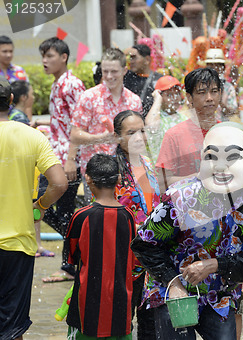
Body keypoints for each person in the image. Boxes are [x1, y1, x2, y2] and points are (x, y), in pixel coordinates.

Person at [130, 122, 243, 340]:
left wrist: (216, 266)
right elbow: (144, 243)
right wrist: (174, 283)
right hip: (173, 290)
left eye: (232, 157)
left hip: (221, 292)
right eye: (212, 157)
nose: (220, 166)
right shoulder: (182, 197)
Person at [0, 76, 67, 340]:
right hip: (19, 244)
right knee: (13, 327)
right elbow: (59, 183)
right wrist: (38, 206)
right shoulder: (31, 135)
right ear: (12, 101)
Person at [65, 154, 136, 339]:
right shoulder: (128, 217)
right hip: (120, 309)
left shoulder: (81, 216)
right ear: (119, 179)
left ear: (87, 178)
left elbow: (72, 257)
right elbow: (134, 259)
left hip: (85, 309)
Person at [35, 37, 87, 282]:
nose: (45, 61)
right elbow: (63, 121)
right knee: (54, 208)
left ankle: (70, 262)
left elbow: (80, 122)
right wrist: (42, 123)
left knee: (50, 205)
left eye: (50, 56)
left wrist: (71, 159)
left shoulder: (72, 84)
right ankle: (75, 254)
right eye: (43, 56)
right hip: (54, 154)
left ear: (64, 57)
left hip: (68, 158)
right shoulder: (57, 85)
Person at [70, 48, 142, 202]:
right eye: (105, 71)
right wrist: (100, 138)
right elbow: (75, 134)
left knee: (129, 215)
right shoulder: (89, 97)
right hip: (97, 171)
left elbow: (139, 136)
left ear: (124, 70)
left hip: (127, 170)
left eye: (114, 71)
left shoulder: (134, 100)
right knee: (97, 218)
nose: (109, 76)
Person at [113, 110, 161, 339]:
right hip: (123, 260)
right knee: (122, 323)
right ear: (117, 137)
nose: (139, 137)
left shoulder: (149, 163)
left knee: (150, 325)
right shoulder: (111, 171)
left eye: (141, 130)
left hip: (151, 259)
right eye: (131, 133)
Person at [155, 68, 220, 192]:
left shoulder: (228, 132)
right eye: (202, 92)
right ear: (189, 98)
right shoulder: (174, 135)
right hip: (188, 208)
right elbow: (162, 182)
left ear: (220, 93)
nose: (209, 98)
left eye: (214, 91)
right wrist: (196, 178)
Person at [144, 75, 187, 164]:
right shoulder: (158, 117)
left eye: (177, 93)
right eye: (169, 95)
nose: (175, 98)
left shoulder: (184, 118)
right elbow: (151, 126)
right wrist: (157, 100)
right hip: (160, 170)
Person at [123, 44, 163, 115]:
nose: (131, 61)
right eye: (130, 58)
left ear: (147, 60)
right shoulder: (125, 76)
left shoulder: (159, 79)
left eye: (134, 57)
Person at [204, 48, 239, 121]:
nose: (213, 69)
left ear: (223, 68)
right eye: (210, 66)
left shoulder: (228, 88)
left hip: (222, 128)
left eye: (217, 66)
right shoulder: (200, 87)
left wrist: (220, 102)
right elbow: (191, 108)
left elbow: (232, 112)